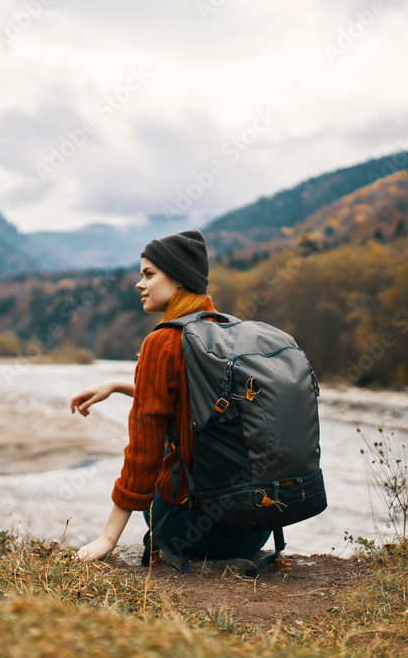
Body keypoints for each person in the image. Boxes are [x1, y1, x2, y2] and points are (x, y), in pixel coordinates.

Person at [69, 229, 271, 562]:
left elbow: (143, 453)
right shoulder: (226, 332)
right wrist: (119, 386)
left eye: (148, 274)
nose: (139, 283)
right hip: (256, 527)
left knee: (163, 452)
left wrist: (108, 538)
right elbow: (191, 403)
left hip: (194, 532)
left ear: (178, 279)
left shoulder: (162, 342)